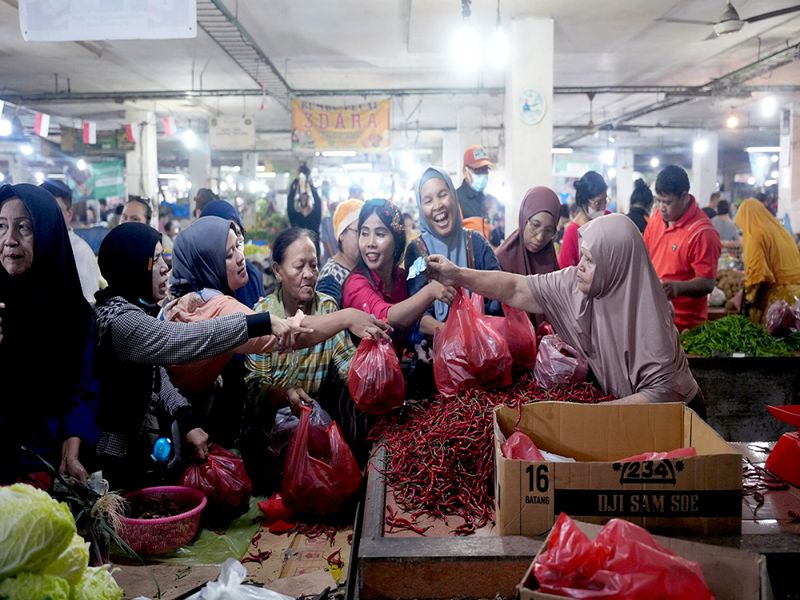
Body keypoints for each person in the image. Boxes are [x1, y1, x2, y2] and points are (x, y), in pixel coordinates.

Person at [93, 223, 310, 490]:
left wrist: (186, 419)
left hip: (137, 448)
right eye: (156, 258)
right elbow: (183, 340)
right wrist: (258, 323)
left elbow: (155, 373)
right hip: (110, 459)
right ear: (133, 265)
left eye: (165, 257)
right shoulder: (120, 321)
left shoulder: (137, 308)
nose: (165, 267)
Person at [426, 214, 703, 413]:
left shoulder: (652, 324)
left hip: (677, 417)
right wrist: (458, 275)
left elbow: (662, 397)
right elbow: (516, 288)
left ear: (616, 268)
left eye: (591, 260)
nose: (580, 266)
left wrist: (587, 417)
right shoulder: (576, 284)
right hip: (622, 412)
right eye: (583, 256)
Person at [0, 183, 99, 484]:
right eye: (1, 227)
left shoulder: (74, 314)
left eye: (24, 228)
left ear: (47, 233)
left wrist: (72, 445)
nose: (9, 241)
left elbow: (82, 390)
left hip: (45, 464)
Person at [343, 199, 455, 341]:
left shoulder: (402, 277)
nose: (370, 243)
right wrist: (430, 292)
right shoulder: (355, 284)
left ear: (397, 241)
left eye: (380, 234)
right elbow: (386, 319)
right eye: (364, 233)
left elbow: (414, 322)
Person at [405, 167, 501, 330]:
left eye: (442, 194)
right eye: (428, 201)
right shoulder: (417, 252)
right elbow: (416, 314)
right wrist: (451, 335)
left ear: (453, 196)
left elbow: (498, 295)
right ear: (421, 208)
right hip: (435, 347)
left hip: (481, 342)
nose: (437, 205)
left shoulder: (476, 242)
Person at [643, 165, 721, 332]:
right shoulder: (656, 217)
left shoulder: (702, 232)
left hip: (685, 325)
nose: (661, 207)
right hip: (653, 318)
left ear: (684, 196)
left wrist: (678, 288)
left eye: (667, 202)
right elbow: (645, 254)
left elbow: (707, 283)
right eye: (658, 200)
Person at [495, 187, 561, 322]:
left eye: (549, 230)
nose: (540, 238)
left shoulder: (550, 261)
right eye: (535, 225)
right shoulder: (502, 259)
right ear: (524, 220)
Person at [734, 198, 800, 323]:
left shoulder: (755, 234)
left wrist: (747, 300)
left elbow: (757, 275)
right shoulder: (780, 231)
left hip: (780, 303)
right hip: (797, 298)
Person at [41, 179, 101, 304]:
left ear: (69, 214)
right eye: (41, 209)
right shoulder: (34, 246)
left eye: (55, 211)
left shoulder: (79, 252)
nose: (47, 216)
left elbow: (89, 304)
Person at [201, 199, 265, 309]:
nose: (240, 257)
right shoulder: (200, 295)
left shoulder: (253, 276)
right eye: (227, 238)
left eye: (238, 233)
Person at [316, 198, 363, 307]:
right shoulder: (331, 277)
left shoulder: (359, 266)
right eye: (358, 231)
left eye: (366, 232)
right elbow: (324, 320)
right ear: (341, 234)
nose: (363, 238)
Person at [558, 171, 608, 268]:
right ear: (584, 202)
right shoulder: (572, 232)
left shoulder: (609, 219)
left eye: (605, 200)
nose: (603, 207)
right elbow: (565, 272)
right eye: (598, 203)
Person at [456, 144, 493, 238]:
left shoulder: (485, 200)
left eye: (485, 170)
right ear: (465, 171)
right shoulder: (456, 199)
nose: (483, 174)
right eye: (478, 170)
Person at [287, 164, 322, 257]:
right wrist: (295, 184)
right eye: (302, 196)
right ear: (298, 201)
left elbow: (318, 202)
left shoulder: (315, 216)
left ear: (310, 200)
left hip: (313, 256)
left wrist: (311, 185)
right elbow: (290, 201)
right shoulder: (294, 217)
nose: (304, 197)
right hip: (297, 255)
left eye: (306, 196)